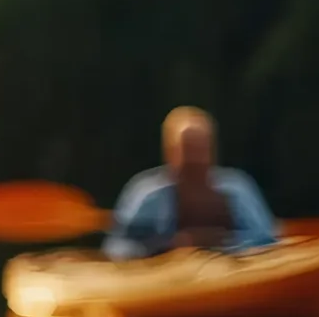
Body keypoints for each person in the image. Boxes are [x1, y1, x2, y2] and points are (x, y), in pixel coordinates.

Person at [103, 106, 278, 260]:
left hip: (230, 279)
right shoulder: (148, 195)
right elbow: (116, 247)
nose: (195, 160)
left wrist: (225, 245)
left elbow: (268, 239)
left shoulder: (237, 190)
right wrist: (167, 247)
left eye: (200, 151)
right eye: (188, 152)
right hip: (168, 284)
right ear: (170, 152)